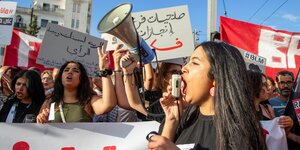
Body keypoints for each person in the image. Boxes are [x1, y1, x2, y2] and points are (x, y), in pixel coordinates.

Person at [147, 42, 266, 150]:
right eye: (187, 62)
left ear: (216, 79)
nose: (184, 68)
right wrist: (171, 120)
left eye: (194, 62)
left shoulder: (240, 133)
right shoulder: (186, 117)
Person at [36, 47, 117, 123]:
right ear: (60, 77)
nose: (70, 72)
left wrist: (104, 70)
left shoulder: (88, 100)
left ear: (81, 79)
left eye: (76, 71)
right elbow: (40, 127)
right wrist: (41, 119)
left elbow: (108, 105)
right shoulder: (50, 101)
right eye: (66, 70)